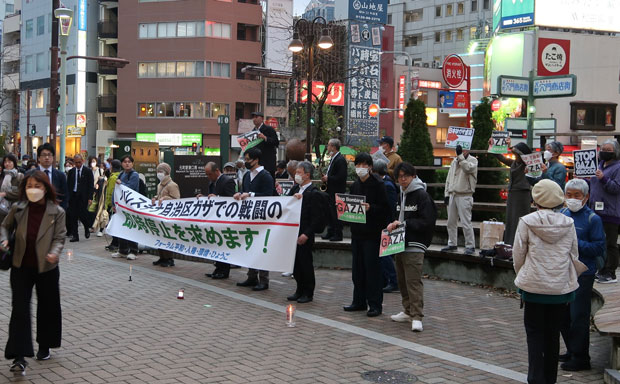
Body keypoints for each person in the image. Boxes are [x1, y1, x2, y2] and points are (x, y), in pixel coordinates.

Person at [512, 179, 586, 384]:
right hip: (560, 288)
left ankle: (535, 378)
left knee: (534, 334)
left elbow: (518, 255)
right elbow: (574, 253)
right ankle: (550, 379)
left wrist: (521, 276)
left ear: (536, 199)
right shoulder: (568, 222)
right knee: (553, 335)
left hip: (534, 285)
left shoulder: (527, 221)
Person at [1, 170, 66, 372]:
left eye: (37, 186)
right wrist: (3, 240)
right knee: (20, 309)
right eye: (29, 186)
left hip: (47, 266)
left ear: (45, 188)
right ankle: (19, 356)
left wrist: (54, 253)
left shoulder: (57, 212)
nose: (33, 190)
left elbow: (59, 238)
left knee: (48, 306)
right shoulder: (18, 208)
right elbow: (4, 226)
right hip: (20, 265)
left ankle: (44, 346)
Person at [559, 178, 605, 372]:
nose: (572, 199)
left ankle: (581, 357)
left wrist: (575, 242)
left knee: (579, 315)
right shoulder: (561, 214)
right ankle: (571, 349)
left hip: (583, 273)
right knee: (562, 315)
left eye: (577, 196)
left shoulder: (592, 219)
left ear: (586, 198)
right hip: (563, 271)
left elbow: (598, 247)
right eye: (568, 195)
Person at [387, 162, 437, 332]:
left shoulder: (422, 195)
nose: (402, 180)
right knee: (402, 280)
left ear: (413, 176)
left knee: (413, 281)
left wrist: (404, 224)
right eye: (399, 177)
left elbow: (427, 221)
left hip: (415, 245)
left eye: (405, 176)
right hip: (398, 243)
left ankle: (417, 316)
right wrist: (393, 226)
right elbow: (397, 216)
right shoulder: (400, 194)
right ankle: (407, 311)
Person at [343, 153, 391, 317]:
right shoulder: (355, 185)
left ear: (370, 167)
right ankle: (359, 301)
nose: (361, 168)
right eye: (358, 165)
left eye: (364, 165)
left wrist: (371, 208)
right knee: (358, 271)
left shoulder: (378, 185)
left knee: (372, 271)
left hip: (372, 234)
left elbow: (386, 209)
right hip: (357, 233)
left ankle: (375, 304)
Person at [235, 147, 274, 291]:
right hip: (248, 217)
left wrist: (250, 195)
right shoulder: (246, 175)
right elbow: (244, 191)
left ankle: (264, 279)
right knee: (250, 246)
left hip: (261, 218)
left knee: (261, 248)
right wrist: (239, 194)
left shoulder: (265, 176)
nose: (246, 162)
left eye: (248, 159)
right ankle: (251, 276)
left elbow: (268, 195)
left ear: (256, 160)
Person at [287, 161, 322, 303]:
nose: (297, 175)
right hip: (292, 232)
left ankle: (308, 292)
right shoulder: (295, 189)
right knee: (295, 264)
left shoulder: (314, 193)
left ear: (307, 175)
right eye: (296, 173)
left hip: (304, 233)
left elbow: (317, 218)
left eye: (299, 173)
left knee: (305, 263)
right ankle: (299, 289)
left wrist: (307, 234)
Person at [589, 139, 620, 284]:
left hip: (611, 211)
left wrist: (603, 178)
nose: (604, 152)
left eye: (608, 150)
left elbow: (616, 188)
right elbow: (594, 186)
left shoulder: (618, 168)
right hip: (595, 210)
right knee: (599, 241)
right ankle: (601, 269)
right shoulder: (599, 165)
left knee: (610, 243)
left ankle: (610, 272)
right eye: (603, 149)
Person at [492, 139, 533, 245]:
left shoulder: (527, 164)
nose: (515, 156)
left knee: (520, 219)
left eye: (516, 154)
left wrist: (511, 147)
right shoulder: (514, 163)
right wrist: (493, 146)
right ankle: (509, 242)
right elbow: (501, 157)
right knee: (511, 219)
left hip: (522, 194)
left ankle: (519, 243)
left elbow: (524, 154)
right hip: (512, 193)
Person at [202, 162, 236, 278]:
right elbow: (211, 196)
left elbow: (231, 198)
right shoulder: (211, 182)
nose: (208, 177)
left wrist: (217, 198)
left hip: (224, 218)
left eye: (210, 174)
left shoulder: (227, 181)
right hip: (214, 218)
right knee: (216, 244)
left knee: (223, 244)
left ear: (217, 171)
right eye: (207, 175)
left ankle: (224, 270)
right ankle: (217, 268)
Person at [442, 144, 478, 255]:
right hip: (453, 194)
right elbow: (449, 178)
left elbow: (467, 168)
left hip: (465, 195)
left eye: (465, 148)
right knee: (450, 222)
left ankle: (470, 245)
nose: (462, 151)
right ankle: (452, 243)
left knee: (466, 221)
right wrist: (446, 194)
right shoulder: (454, 161)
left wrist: (460, 156)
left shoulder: (473, 161)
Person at [373, 159, 399, 293]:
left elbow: (390, 207)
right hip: (382, 223)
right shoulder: (384, 183)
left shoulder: (387, 185)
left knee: (385, 254)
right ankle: (385, 279)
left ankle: (393, 280)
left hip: (386, 223)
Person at [149, 162, 181, 267]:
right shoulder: (160, 185)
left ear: (167, 173)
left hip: (169, 216)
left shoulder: (172, 185)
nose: (159, 173)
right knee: (159, 236)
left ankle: (169, 258)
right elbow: (159, 195)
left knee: (167, 237)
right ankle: (162, 257)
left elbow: (177, 200)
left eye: (161, 171)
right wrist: (155, 198)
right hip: (160, 214)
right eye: (157, 171)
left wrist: (165, 199)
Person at [112, 155, 140, 260]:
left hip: (131, 206)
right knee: (121, 228)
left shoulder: (134, 175)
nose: (127, 163)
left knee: (131, 227)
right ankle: (122, 250)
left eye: (129, 162)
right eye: (125, 162)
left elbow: (130, 188)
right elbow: (116, 191)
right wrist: (113, 204)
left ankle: (133, 250)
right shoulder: (121, 174)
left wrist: (121, 183)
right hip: (121, 206)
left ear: (132, 163)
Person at [321, 138, 347, 242]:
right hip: (331, 190)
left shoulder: (340, 160)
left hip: (337, 190)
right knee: (330, 212)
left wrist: (328, 178)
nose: (327, 147)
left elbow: (341, 177)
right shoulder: (334, 158)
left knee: (336, 213)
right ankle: (330, 231)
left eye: (328, 145)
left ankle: (337, 233)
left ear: (333, 147)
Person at [66, 154, 94, 242]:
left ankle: (86, 227)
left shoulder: (88, 171)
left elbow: (90, 185)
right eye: (76, 162)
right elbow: (68, 185)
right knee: (73, 216)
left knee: (82, 214)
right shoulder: (71, 172)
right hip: (73, 196)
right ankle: (75, 235)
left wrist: (90, 197)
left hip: (83, 196)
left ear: (82, 161)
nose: (78, 164)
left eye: (79, 162)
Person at [36, 143, 68, 210]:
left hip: (55, 211)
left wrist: (61, 210)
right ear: (38, 158)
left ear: (53, 157)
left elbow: (65, 196)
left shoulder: (61, 175)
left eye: (49, 155)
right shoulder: (31, 174)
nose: (47, 158)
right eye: (44, 155)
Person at [251, 111, 279, 179]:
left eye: (256, 117)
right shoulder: (253, 131)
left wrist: (265, 138)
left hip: (268, 163)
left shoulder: (269, 129)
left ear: (262, 118)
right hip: (257, 163)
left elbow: (276, 142)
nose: (254, 119)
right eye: (253, 117)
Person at [104, 160, 122, 252]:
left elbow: (111, 192)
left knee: (114, 224)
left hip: (113, 205)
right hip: (115, 204)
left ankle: (115, 243)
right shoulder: (118, 176)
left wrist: (108, 204)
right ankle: (114, 243)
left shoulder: (113, 178)